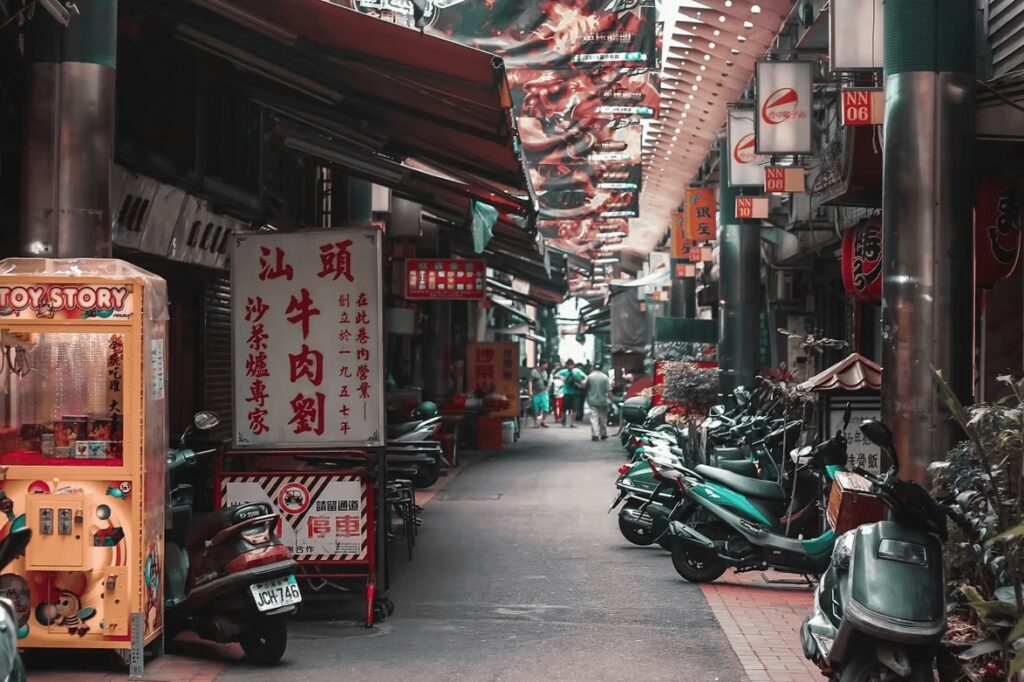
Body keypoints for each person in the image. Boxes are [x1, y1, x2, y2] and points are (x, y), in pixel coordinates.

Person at [557, 359, 587, 428]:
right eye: (568, 365)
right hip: (566, 392)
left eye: (571, 365)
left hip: (575, 393)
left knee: (575, 408)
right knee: (564, 408)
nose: (570, 366)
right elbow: (555, 375)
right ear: (567, 365)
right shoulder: (563, 372)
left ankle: (572, 423)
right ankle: (563, 420)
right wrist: (561, 378)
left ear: (573, 365)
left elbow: (585, 377)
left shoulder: (577, 371)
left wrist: (582, 382)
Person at [585, 363, 612, 441]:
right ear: (601, 368)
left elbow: (586, 387)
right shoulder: (605, 377)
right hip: (603, 401)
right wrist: (610, 400)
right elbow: (609, 390)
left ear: (593, 368)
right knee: (603, 418)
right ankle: (603, 434)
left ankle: (595, 435)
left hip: (592, 400)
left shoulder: (590, 377)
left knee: (594, 418)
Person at [529, 360, 551, 428]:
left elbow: (545, 381)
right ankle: (535, 422)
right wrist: (530, 391)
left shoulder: (545, 372)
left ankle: (543, 421)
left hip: (544, 392)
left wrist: (547, 388)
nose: (547, 366)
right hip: (536, 393)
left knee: (546, 407)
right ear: (542, 364)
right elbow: (530, 381)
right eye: (546, 365)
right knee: (535, 408)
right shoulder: (534, 372)